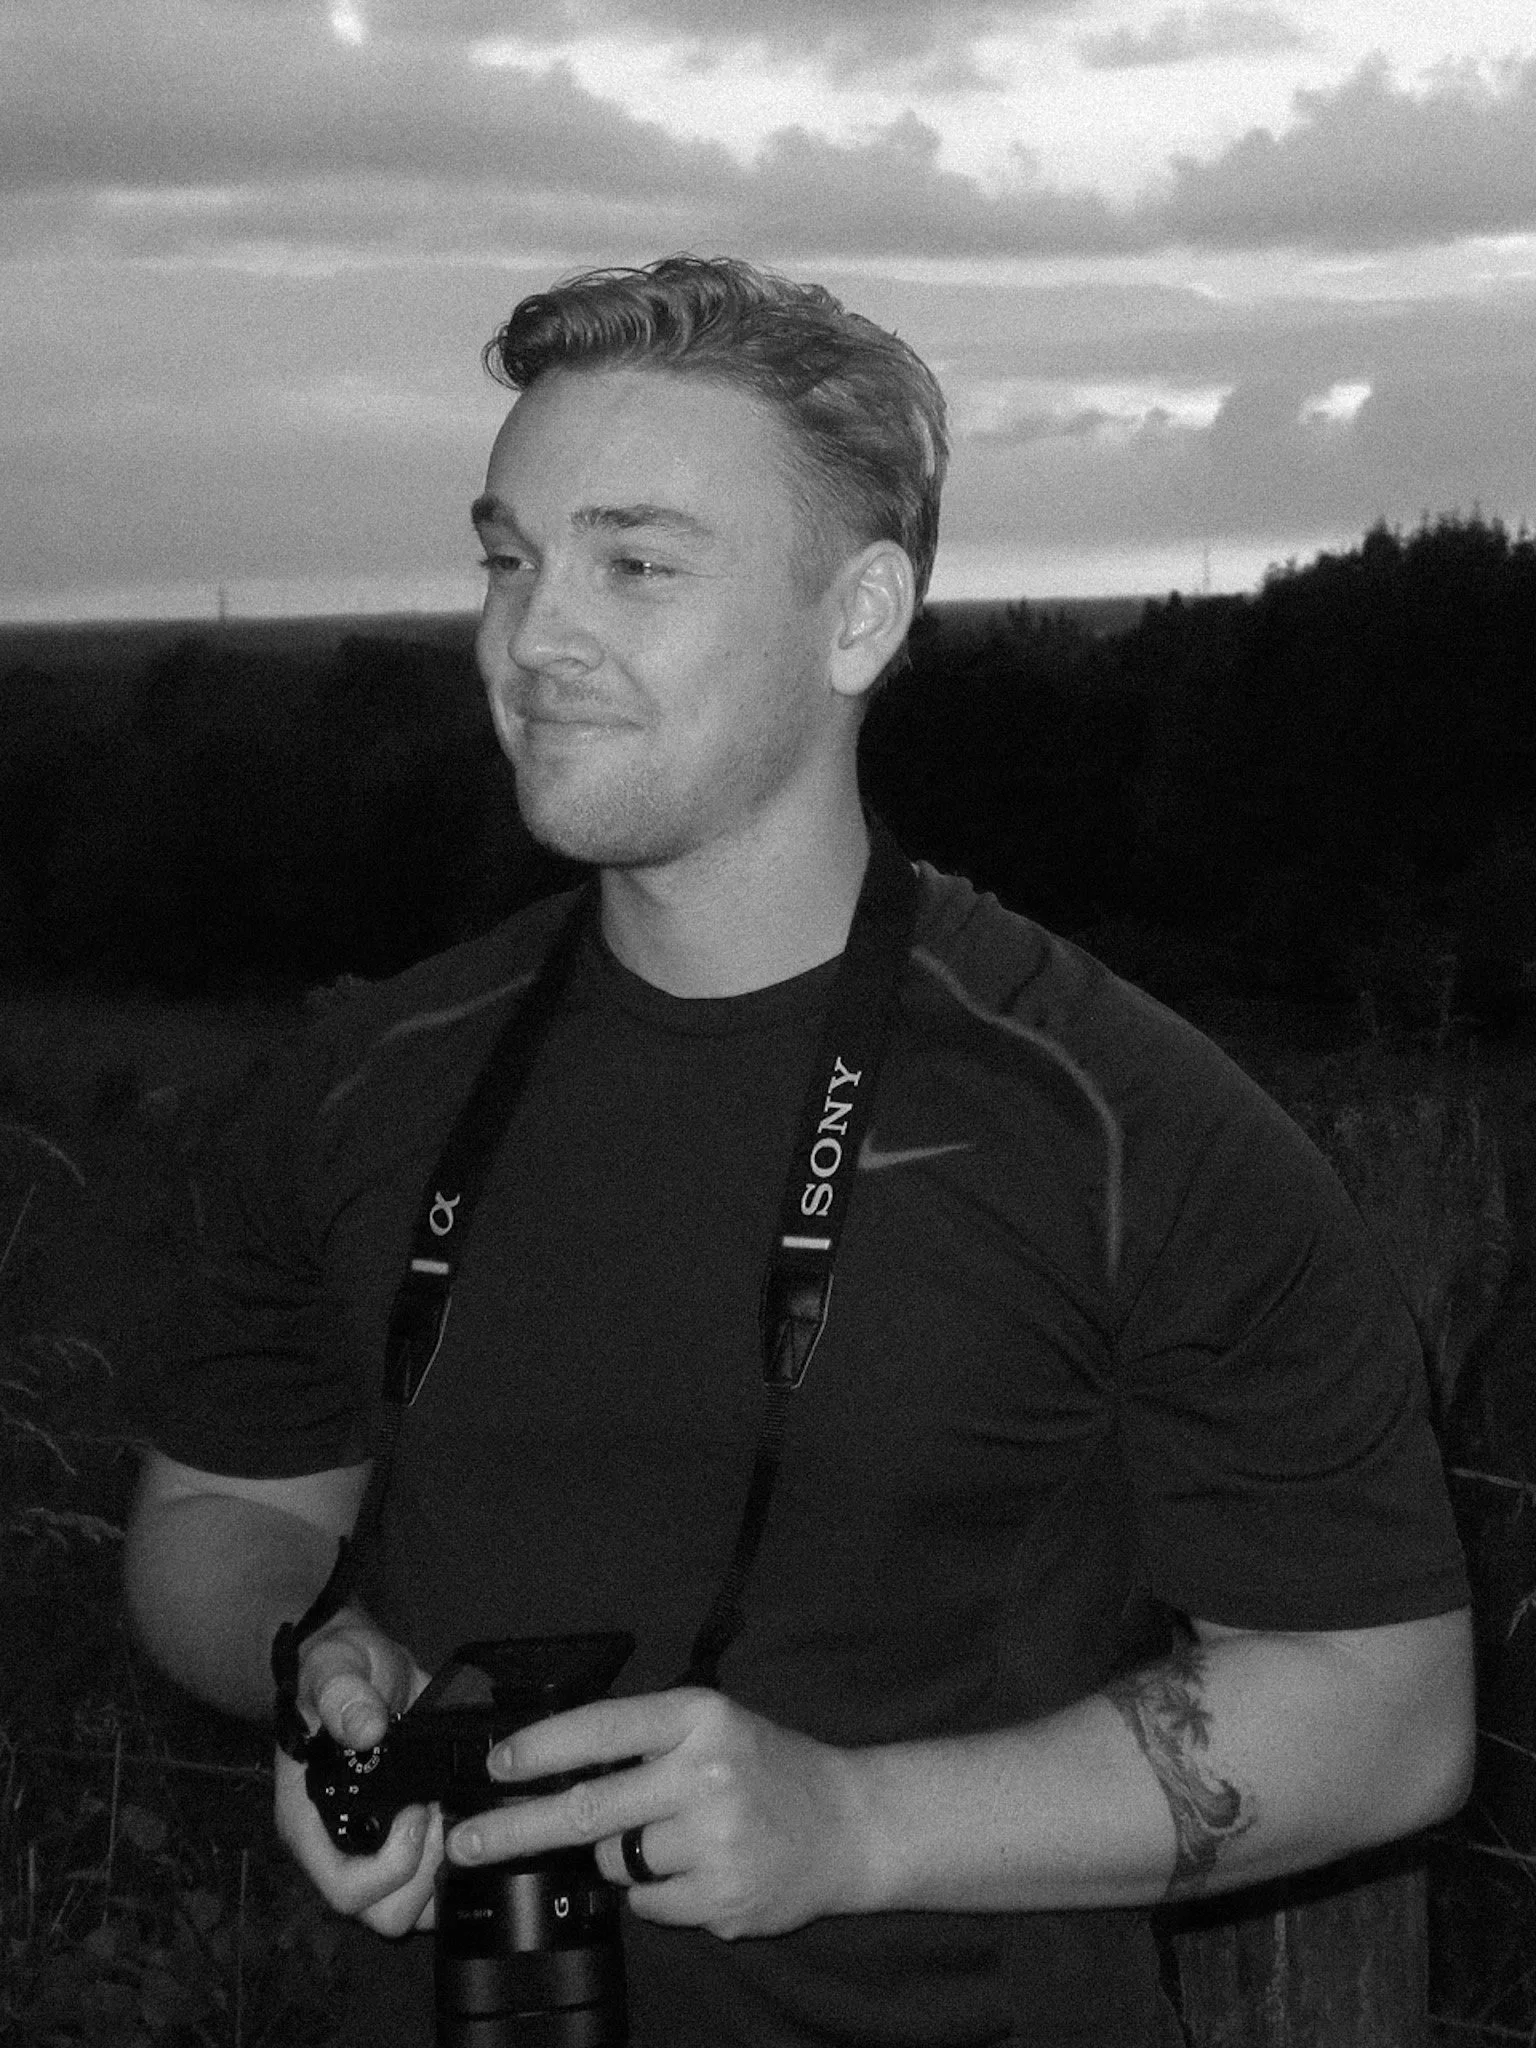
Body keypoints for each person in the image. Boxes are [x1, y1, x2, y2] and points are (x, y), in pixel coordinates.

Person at [126, 254, 1474, 2048]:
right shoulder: (364, 1079)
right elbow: (221, 1511)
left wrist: (855, 1823)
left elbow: (1390, 1713)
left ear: (858, 620)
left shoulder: (1119, 1126)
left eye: (638, 564)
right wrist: (316, 1668)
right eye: (508, 559)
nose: (531, 640)